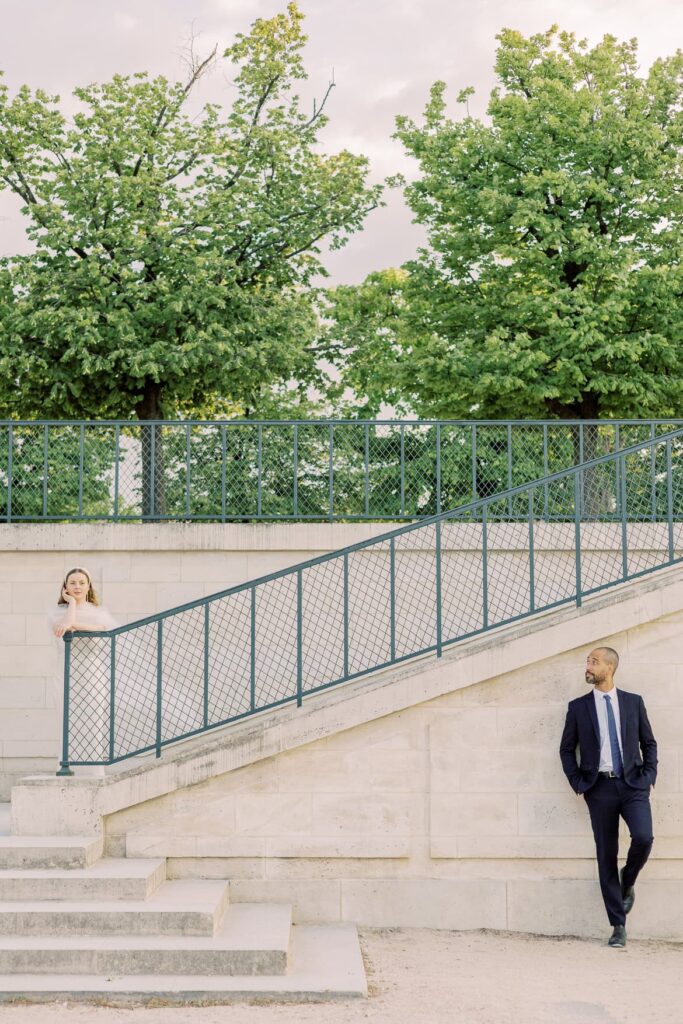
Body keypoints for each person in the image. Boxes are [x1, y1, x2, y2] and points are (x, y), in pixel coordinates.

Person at [559, 647, 657, 949]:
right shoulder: (578, 707)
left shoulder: (632, 702)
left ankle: (628, 881)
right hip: (598, 788)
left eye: (594, 662)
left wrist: (649, 776)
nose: (588, 666)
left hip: (632, 785)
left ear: (610, 668)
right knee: (606, 854)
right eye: (588, 661)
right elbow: (566, 749)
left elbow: (648, 742)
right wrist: (578, 782)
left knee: (644, 837)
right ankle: (618, 925)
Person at [48, 567, 116, 774]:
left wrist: (74, 625)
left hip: (92, 673)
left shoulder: (99, 612)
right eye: (72, 583)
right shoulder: (55, 613)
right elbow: (62, 627)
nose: (77, 586)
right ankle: (66, 768)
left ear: (88, 586)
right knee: (66, 721)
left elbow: (104, 629)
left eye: (81, 582)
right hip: (65, 673)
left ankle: (95, 772)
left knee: (94, 720)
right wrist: (70, 605)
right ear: (65, 587)